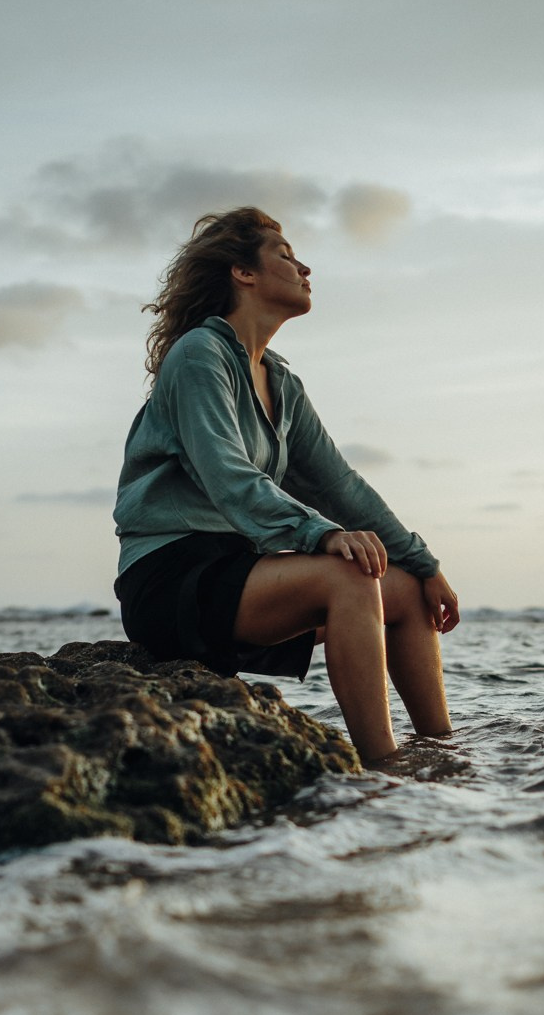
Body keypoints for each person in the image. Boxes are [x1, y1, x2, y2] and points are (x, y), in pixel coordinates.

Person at [113, 206, 460, 767]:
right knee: (349, 575)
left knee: (407, 589)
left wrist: (425, 564)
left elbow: (340, 485)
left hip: (239, 573)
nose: (305, 268)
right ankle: (383, 767)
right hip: (171, 578)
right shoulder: (199, 355)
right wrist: (321, 536)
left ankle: (443, 752)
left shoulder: (281, 381)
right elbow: (228, 476)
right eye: (285, 255)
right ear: (242, 272)